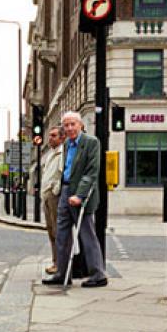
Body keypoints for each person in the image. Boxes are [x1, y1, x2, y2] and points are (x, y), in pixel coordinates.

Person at [42, 111, 108, 288]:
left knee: (87, 234)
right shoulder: (66, 145)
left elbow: (91, 172)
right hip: (64, 191)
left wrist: (79, 195)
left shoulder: (91, 143)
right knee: (61, 235)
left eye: (73, 124)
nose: (70, 128)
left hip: (81, 195)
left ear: (81, 125)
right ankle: (62, 273)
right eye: (66, 125)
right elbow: (64, 170)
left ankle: (98, 274)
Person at [41, 125, 65, 275]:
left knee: (57, 231)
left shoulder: (63, 153)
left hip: (54, 197)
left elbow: (63, 175)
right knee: (50, 231)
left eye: (54, 135)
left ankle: (59, 263)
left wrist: (54, 189)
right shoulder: (50, 154)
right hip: (46, 196)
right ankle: (55, 261)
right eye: (49, 135)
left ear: (62, 138)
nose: (50, 138)